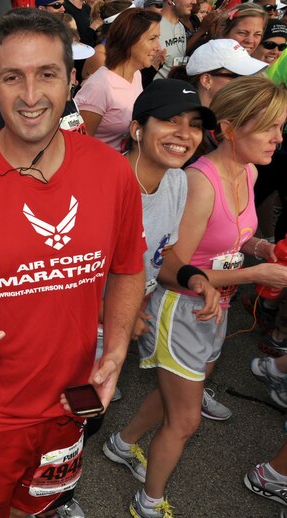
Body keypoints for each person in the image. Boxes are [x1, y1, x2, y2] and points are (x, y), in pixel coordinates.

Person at [0, 9, 146, 518]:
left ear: (71, 81)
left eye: (47, 74)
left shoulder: (112, 173)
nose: (31, 95)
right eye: (13, 76)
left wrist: (118, 350)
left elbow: (128, 267)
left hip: (69, 407)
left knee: (37, 511)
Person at [106, 76, 287, 518]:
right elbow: (172, 267)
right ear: (230, 129)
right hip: (180, 308)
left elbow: (230, 238)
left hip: (213, 307)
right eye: (270, 127)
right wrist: (254, 273)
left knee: (181, 391)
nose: (279, 139)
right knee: (186, 418)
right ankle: (148, 503)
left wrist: (258, 247)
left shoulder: (250, 170)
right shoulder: (197, 183)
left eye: (281, 127)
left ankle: (121, 442)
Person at [76, 8, 161, 151]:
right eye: (152, 39)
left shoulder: (136, 75)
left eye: (158, 38)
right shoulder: (100, 87)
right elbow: (78, 145)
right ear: (129, 40)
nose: (158, 47)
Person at [155, 0, 194, 79]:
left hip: (174, 87)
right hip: (155, 88)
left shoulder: (180, 26)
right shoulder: (153, 26)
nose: (194, 2)